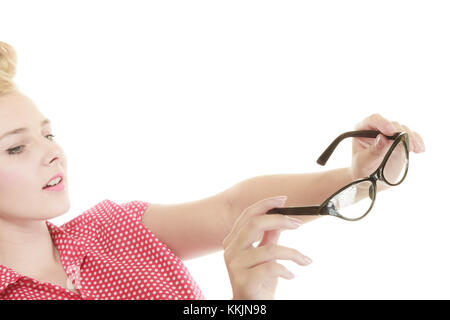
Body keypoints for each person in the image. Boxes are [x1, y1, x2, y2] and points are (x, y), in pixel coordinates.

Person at [0, 41, 425, 300]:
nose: (53, 154)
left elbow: (234, 208)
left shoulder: (113, 229)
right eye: (16, 147)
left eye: (48, 134)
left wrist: (361, 180)